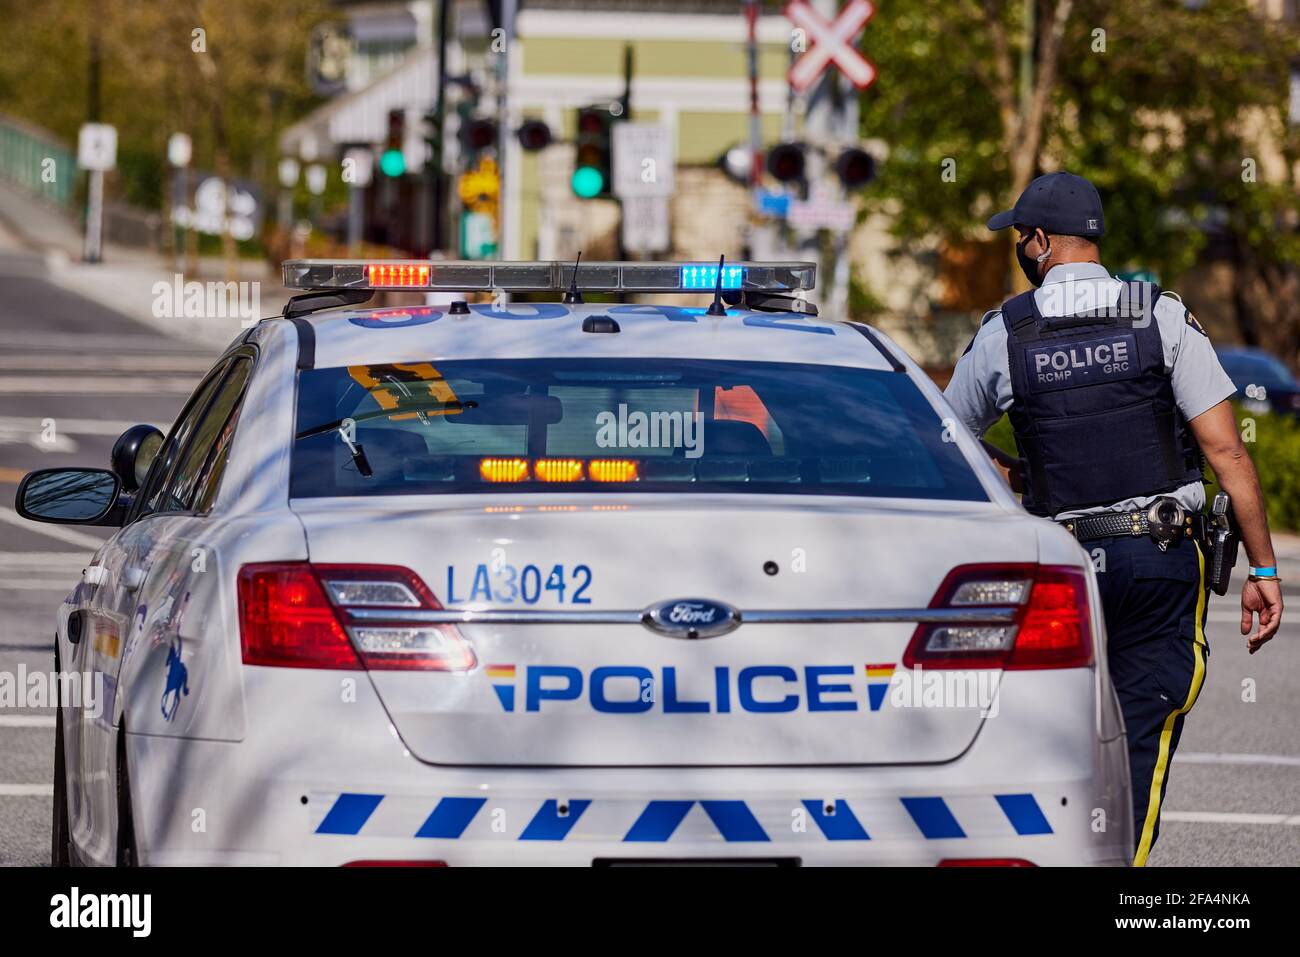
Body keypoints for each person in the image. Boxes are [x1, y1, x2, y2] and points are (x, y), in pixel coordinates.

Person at [944, 171, 1284, 866]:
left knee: (1055, 739)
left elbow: (942, 435)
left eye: (1018, 236)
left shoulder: (1004, 332)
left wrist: (1016, 473)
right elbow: (1228, 454)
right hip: (1158, 558)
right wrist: (1265, 569)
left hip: (1062, 568)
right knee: (1136, 740)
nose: (1018, 246)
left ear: (1039, 242)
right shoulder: (1158, 314)